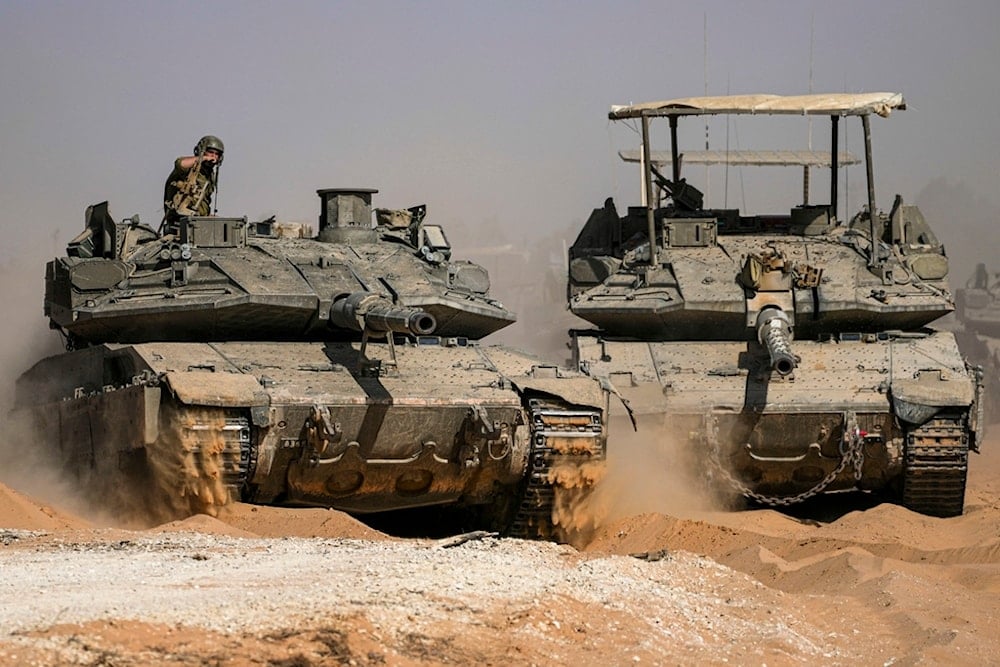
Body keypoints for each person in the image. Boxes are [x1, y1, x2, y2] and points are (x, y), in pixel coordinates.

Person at [162, 135, 224, 226]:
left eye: (217, 154)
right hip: (180, 223)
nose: (213, 157)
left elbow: (204, 201)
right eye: (210, 152)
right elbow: (180, 164)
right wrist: (203, 158)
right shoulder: (191, 169)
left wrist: (207, 216)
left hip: (198, 223)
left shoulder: (209, 175)